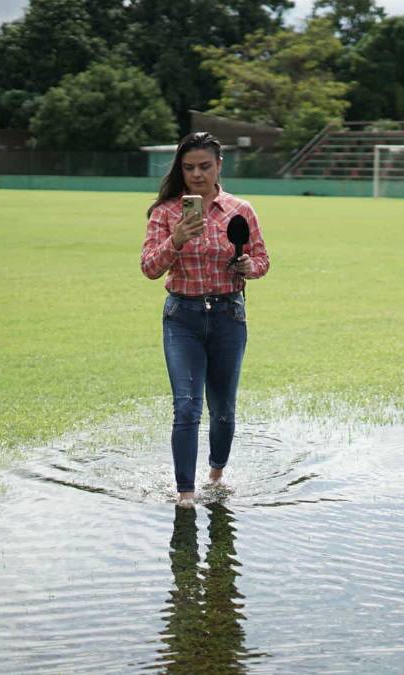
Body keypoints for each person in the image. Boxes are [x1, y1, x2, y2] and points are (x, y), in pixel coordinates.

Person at [142, 131, 270, 507]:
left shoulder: (241, 210)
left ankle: (216, 473)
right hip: (183, 317)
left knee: (224, 410)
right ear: (180, 169)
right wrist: (176, 239)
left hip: (229, 316)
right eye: (188, 167)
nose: (196, 174)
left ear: (219, 166)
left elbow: (262, 260)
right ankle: (185, 492)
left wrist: (250, 265)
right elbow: (149, 268)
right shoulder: (165, 213)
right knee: (186, 405)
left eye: (204, 166)